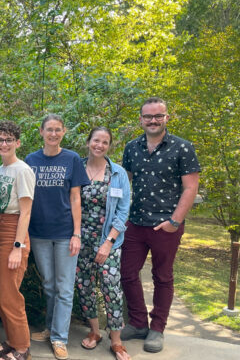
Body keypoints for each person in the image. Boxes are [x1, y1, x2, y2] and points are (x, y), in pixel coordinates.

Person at [120, 97, 200, 353]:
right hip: (135, 223)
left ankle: (157, 328)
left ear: (166, 117)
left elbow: (190, 187)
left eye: (158, 116)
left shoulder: (183, 148)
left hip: (166, 225)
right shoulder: (132, 148)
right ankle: (138, 323)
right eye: (148, 116)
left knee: (162, 277)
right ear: (141, 119)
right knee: (127, 273)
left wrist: (175, 221)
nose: (152, 120)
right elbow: (124, 183)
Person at [25, 114, 89, 360]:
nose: (53, 134)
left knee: (64, 288)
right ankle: (50, 328)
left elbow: (75, 198)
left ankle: (59, 338)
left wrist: (76, 233)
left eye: (58, 130)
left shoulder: (71, 159)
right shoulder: (31, 160)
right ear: (41, 132)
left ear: (63, 132)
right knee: (49, 285)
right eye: (49, 129)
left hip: (64, 233)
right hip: (39, 233)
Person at [75, 127, 131, 360]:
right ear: (88, 142)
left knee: (111, 289)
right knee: (84, 287)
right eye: (96, 140)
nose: (99, 145)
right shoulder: (76, 167)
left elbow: (123, 210)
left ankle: (116, 341)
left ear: (109, 146)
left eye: (105, 142)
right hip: (80, 240)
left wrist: (108, 242)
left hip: (109, 242)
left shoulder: (117, 174)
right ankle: (95, 331)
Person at [0, 121, 35, 360]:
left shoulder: (22, 170)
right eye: (0, 139)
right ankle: (11, 341)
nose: (4, 144)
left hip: (13, 232)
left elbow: (25, 212)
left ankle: (23, 348)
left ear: (18, 142)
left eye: (9, 139)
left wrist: (18, 247)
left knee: (10, 295)